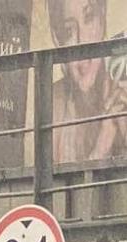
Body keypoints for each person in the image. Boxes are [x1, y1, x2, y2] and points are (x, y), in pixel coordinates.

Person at [48, 0, 127, 166]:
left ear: (102, 19)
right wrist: (102, 144)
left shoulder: (122, 96)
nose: (81, 41)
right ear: (57, 39)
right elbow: (54, 191)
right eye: (68, 30)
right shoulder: (53, 103)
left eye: (89, 18)